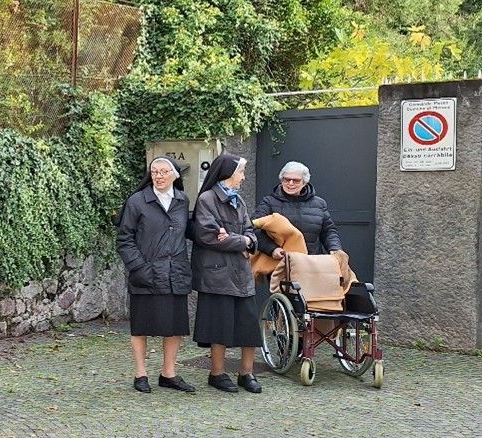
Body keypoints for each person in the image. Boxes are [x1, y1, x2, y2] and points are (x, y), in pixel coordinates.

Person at [116, 157, 195, 394]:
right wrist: (139, 267)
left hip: (175, 273)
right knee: (141, 326)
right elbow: (124, 239)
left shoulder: (182, 200)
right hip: (146, 273)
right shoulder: (137, 201)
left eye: (163, 172)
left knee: (175, 326)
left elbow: (189, 233)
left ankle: (168, 373)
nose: (158, 176)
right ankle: (140, 374)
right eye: (154, 172)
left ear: (175, 175)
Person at [191, 152, 263, 394]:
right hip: (217, 274)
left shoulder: (239, 201)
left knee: (248, 326)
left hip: (241, 274)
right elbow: (208, 235)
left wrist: (242, 239)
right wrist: (242, 242)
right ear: (228, 173)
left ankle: (246, 373)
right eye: (241, 172)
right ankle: (217, 374)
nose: (243, 177)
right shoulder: (207, 200)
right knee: (218, 326)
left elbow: (252, 233)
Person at [253, 161, 343, 259]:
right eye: (287, 179)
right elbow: (253, 228)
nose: (290, 183)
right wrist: (272, 249)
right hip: (281, 264)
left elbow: (328, 231)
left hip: (311, 263)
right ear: (281, 180)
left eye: (296, 180)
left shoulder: (319, 204)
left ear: (304, 182)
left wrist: (335, 249)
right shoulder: (269, 202)